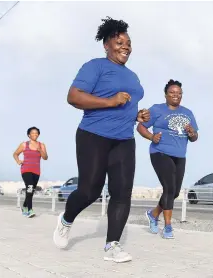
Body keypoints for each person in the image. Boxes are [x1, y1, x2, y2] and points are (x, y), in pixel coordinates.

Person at [53, 17, 150, 263]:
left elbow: (125, 103)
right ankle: (66, 220)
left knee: (121, 193)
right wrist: (110, 101)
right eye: (119, 42)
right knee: (89, 190)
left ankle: (112, 246)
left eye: (128, 42)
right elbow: (73, 97)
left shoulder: (133, 76)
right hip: (93, 136)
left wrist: (136, 114)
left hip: (125, 139)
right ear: (106, 44)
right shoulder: (95, 66)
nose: (125, 46)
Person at [137, 79, 198, 239]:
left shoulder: (188, 113)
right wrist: (151, 136)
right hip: (160, 152)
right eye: (172, 92)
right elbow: (141, 126)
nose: (176, 95)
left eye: (179, 93)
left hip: (180, 155)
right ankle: (168, 227)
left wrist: (192, 132)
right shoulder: (157, 109)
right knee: (169, 187)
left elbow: (194, 137)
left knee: (174, 192)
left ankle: (153, 214)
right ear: (166, 95)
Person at [13, 127, 48, 218]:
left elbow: (45, 157)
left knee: (31, 190)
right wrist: (18, 161)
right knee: (30, 187)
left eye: (36, 133)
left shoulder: (42, 145)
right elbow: (15, 154)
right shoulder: (24, 144)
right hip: (26, 169)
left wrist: (40, 150)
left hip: (36, 171)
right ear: (29, 135)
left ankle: (24, 206)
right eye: (32, 133)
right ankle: (30, 210)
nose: (35, 134)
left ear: (38, 134)